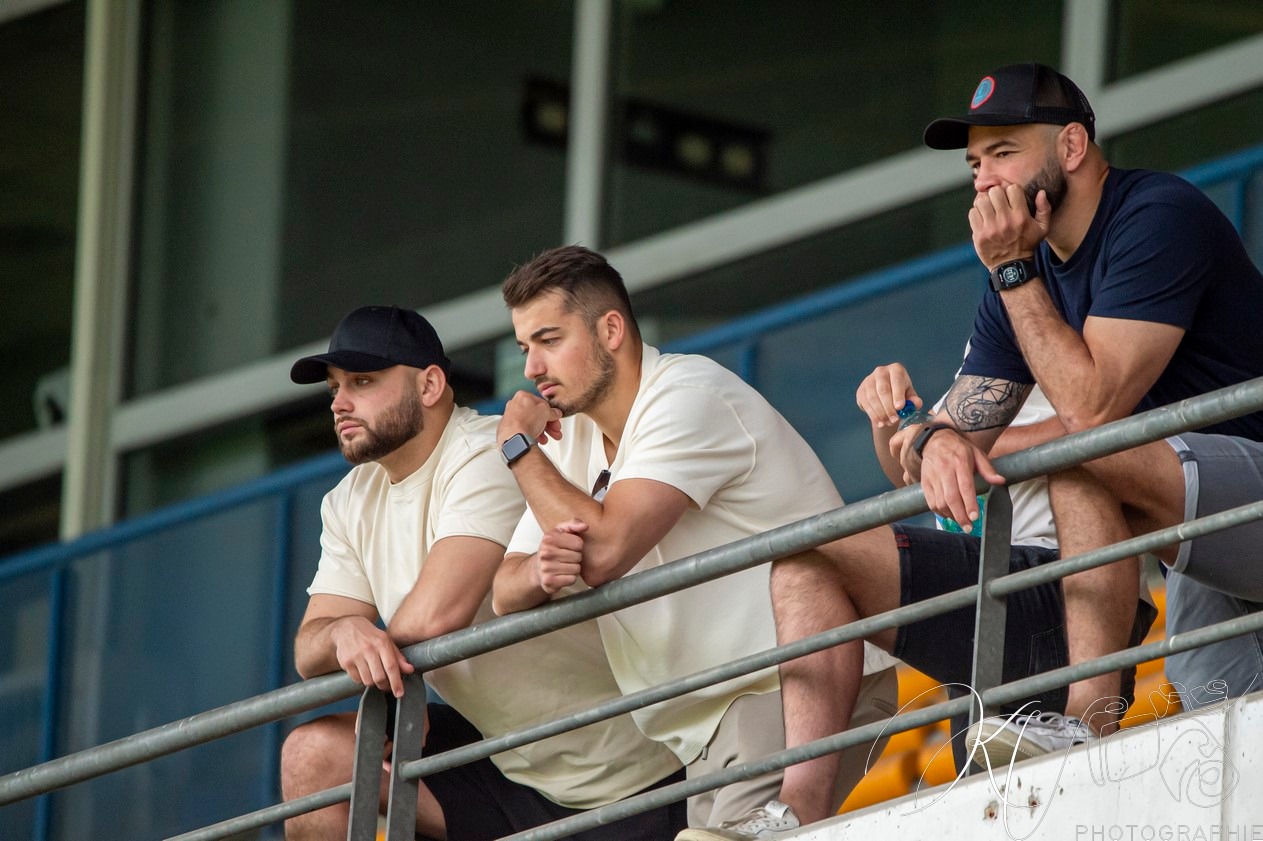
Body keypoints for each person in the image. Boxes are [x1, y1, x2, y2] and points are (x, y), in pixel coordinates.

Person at [488, 246, 899, 836]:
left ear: (611, 330)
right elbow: (505, 590)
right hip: (704, 728)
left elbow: (604, 552)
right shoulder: (568, 440)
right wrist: (539, 570)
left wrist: (517, 449)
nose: (531, 368)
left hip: (790, 692)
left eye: (549, 340)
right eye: (525, 347)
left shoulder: (688, 394)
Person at [278, 305, 686, 841]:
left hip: (634, 773)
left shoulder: (484, 451)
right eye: (333, 388)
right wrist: (344, 632)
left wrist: (393, 673)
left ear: (429, 385)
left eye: (363, 381)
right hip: (507, 769)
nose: (341, 403)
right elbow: (310, 650)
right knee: (311, 755)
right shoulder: (348, 500)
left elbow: (435, 616)